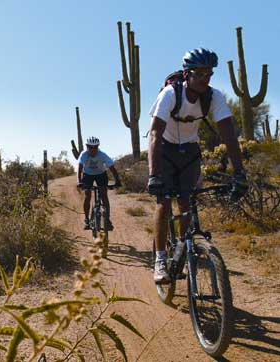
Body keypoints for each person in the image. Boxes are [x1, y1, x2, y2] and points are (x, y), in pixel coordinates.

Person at [147, 48, 248, 283]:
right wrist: (154, 175)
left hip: (190, 152)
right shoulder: (170, 94)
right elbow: (154, 134)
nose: (205, 78)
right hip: (165, 149)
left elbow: (230, 137)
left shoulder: (214, 97)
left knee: (186, 203)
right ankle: (160, 259)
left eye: (209, 73)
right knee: (164, 203)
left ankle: (185, 251)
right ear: (187, 74)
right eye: (199, 73)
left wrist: (240, 173)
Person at [77, 137, 122, 230]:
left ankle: (107, 220)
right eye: (90, 147)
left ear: (98, 147)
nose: (93, 150)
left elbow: (112, 168)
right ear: (87, 147)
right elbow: (80, 167)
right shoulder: (83, 154)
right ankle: (86, 220)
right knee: (87, 195)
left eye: (95, 147)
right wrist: (79, 180)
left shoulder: (102, 155)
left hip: (101, 174)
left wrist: (117, 180)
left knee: (104, 196)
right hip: (87, 175)